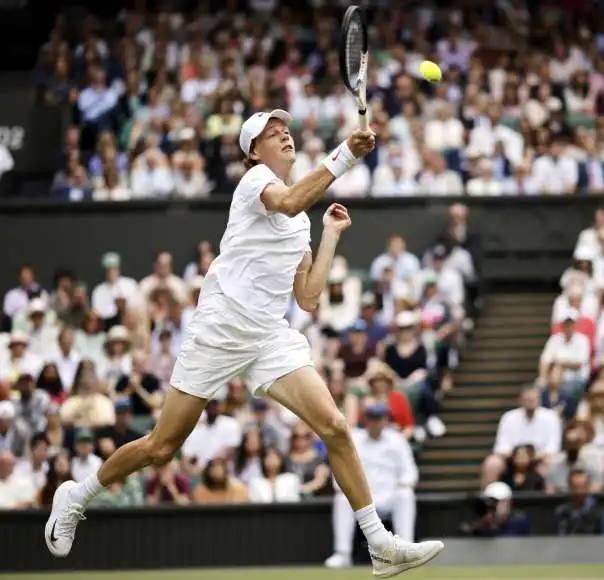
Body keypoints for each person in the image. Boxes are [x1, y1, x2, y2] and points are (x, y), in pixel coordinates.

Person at [45, 109, 443, 576]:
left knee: (335, 426)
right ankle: (76, 496)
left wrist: (331, 234)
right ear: (254, 151)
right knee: (161, 447)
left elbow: (309, 297)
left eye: (288, 132)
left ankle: (379, 544)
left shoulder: (300, 223)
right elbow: (293, 201)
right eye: (274, 134)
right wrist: (345, 158)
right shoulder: (255, 180)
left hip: (268, 336)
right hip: (219, 328)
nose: (286, 138)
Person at [326, 403, 418, 569]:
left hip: (390, 496)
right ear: (366, 420)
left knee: (406, 494)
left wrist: (402, 485)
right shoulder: (353, 438)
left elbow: (410, 473)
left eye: (380, 418)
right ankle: (342, 553)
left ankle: (404, 552)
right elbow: (341, 469)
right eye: (373, 418)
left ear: (386, 420)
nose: (377, 423)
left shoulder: (397, 440)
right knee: (341, 498)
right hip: (360, 499)